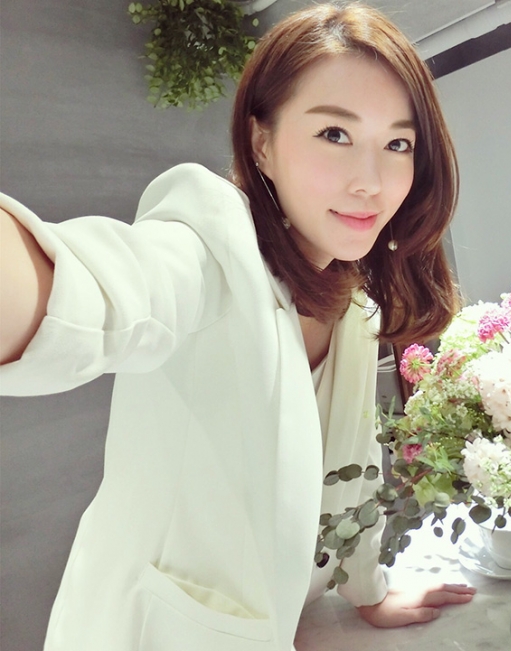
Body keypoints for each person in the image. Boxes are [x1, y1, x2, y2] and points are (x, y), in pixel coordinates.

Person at [0, 3, 476, 650]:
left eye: (398, 144)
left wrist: (369, 592)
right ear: (262, 144)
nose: (370, 181)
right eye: (334, 134)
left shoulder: (355, 307)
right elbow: (105, 284)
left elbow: (353, 467)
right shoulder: (210, 241)